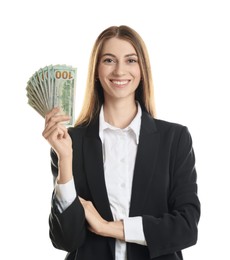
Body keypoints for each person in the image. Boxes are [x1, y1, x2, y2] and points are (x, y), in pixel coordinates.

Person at [42, 25, 200, 260]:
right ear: (96, 69)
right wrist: (65, 159)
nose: (119, 70)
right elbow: (66, 240)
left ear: (142, 69)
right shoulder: (70, 142)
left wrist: (107, 227)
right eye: (108, 60)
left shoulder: (175, 138)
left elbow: (186, 227)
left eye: (130, 60)